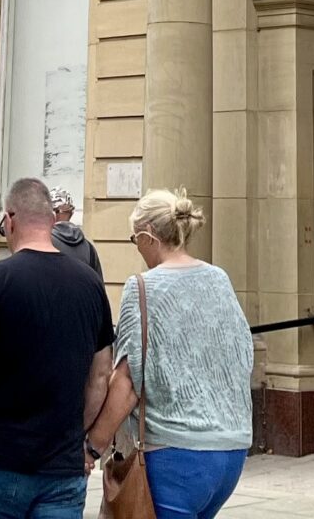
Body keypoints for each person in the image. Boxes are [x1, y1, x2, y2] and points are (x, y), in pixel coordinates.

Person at [0, 176, 116, 519]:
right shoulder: (91, 284)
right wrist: (78, 437)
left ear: (11, 219)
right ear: (52, 220)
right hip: (63, 472)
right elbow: (101, 375)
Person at [86, 191, 254, 519]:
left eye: (135, 239)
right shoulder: (219, 279)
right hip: (231, 452)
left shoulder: (143, 288)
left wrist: (93, 445)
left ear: (148, 235)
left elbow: (128, 381)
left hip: (175, 455)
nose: (137, 247)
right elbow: (242, 354)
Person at [49, 186, 104, 281]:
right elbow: (99, 288)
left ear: (52, 213)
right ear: (71, 213)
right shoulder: (88, 247)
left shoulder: (45, 243)